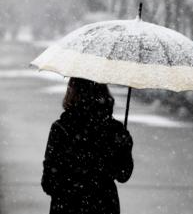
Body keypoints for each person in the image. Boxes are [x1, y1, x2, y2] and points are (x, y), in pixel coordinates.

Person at [42, 78, 134, 214]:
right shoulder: (114, 130)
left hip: (67, 206)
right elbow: (123, 175)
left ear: (72, 92)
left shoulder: (61, 128)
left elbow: (49, 183)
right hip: (104, 206)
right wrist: (124, 144)